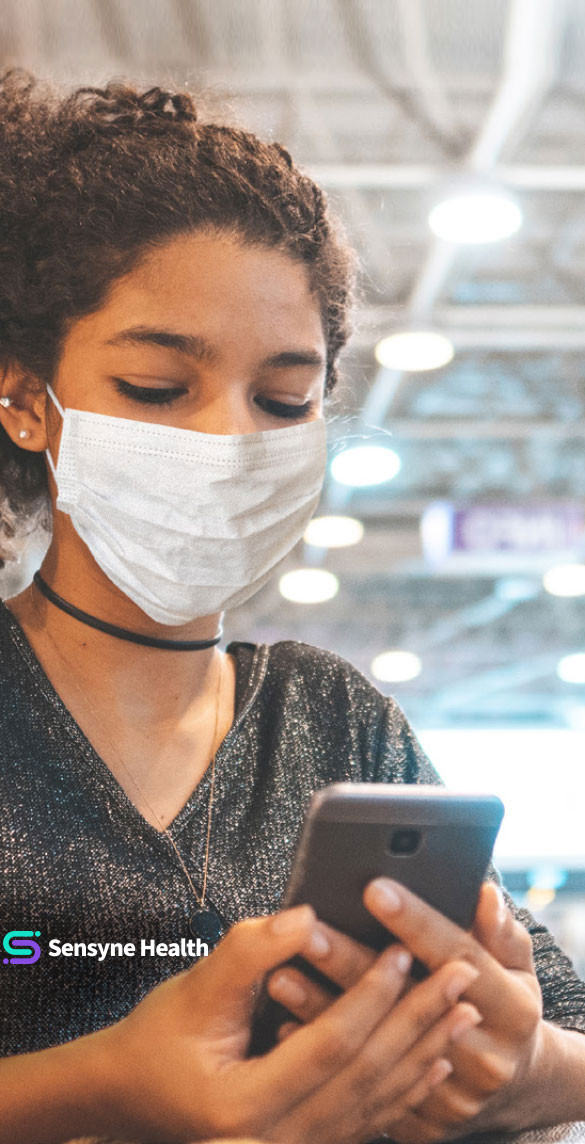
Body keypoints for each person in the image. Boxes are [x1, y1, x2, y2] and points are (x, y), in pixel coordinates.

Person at [0, 68, 584, 1144]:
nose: (231, 445)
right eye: (158, 389)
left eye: (282, 398)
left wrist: (526, 1064)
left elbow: (568, 1032)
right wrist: (102, 1080)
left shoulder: (335, 722)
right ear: (30, 400)